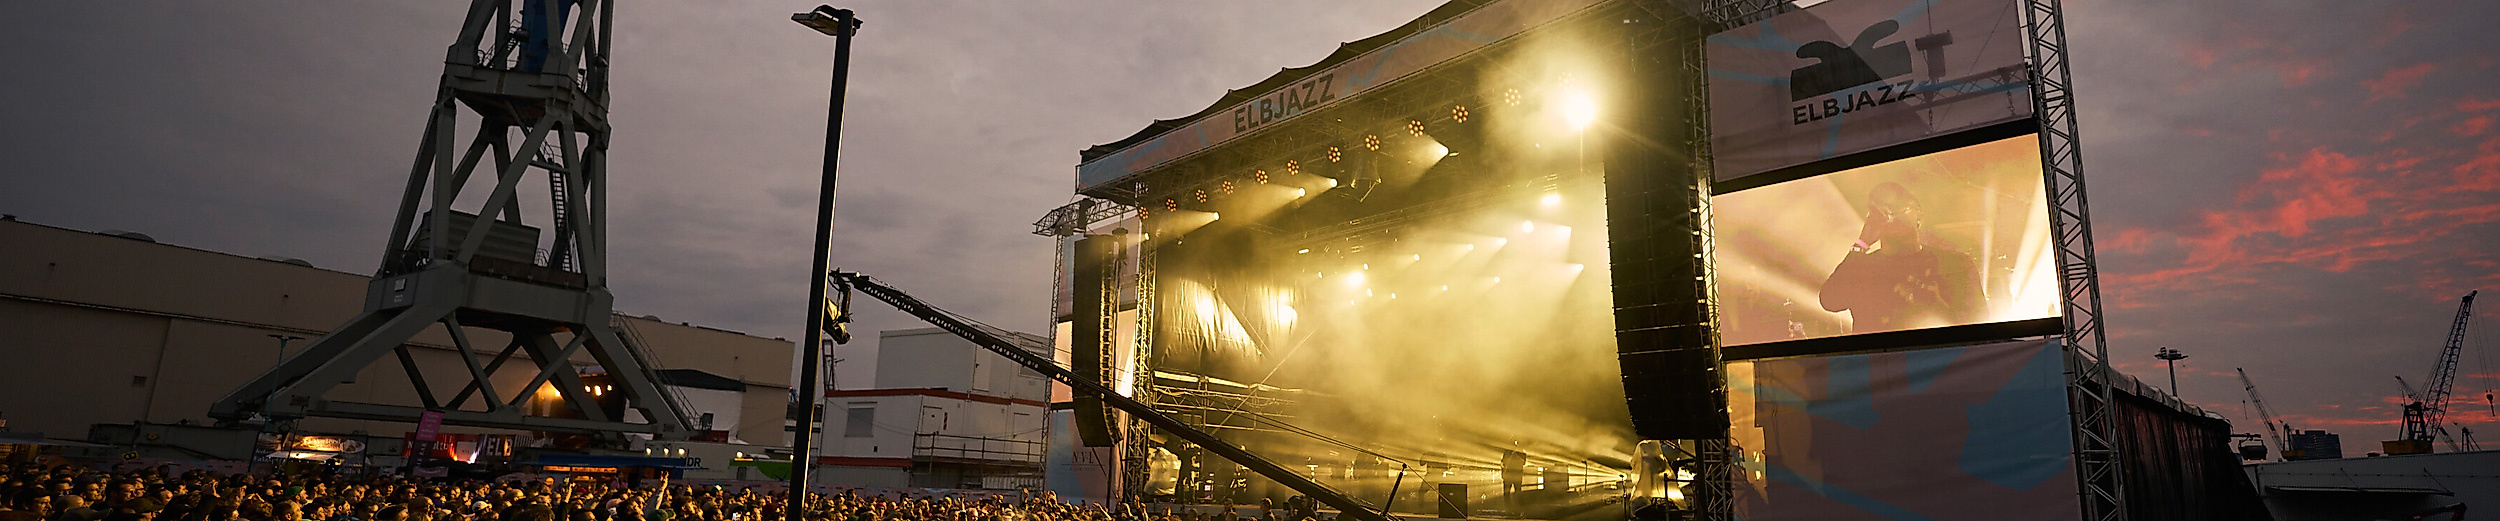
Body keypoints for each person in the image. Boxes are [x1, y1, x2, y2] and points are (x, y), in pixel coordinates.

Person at [1818, 182, 1983, 334]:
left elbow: (1978, 323)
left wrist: (1937, 307)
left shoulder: (1954, 264)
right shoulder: (1864, 267)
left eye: (1896, 206)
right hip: (1876, 363)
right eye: (1878, 210)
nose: (1887, 214)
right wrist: (1861, 244)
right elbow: (1830, 301)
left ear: (1918, 215)